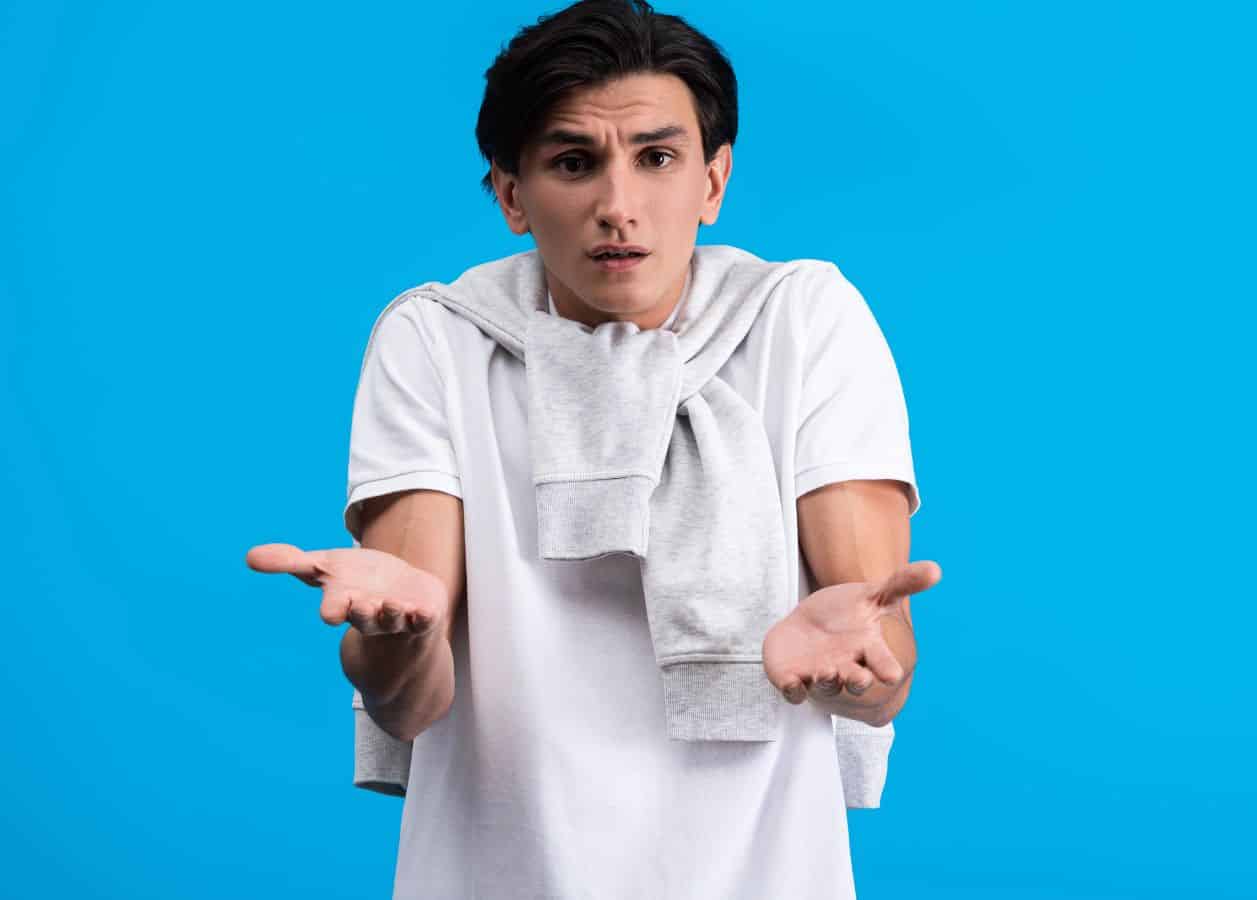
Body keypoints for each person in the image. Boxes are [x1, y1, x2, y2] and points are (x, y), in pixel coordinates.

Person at [245, 1, 938, 897]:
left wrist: (854, 666)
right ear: (511, 195)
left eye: (657, 158)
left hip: (762, 869)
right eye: (575, 163)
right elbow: (411, 703)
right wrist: (397, 636)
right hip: (498, 866)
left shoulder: (806, 321)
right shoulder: (435, 339)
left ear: (714, 181)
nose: (619, 206)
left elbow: (880, 675)